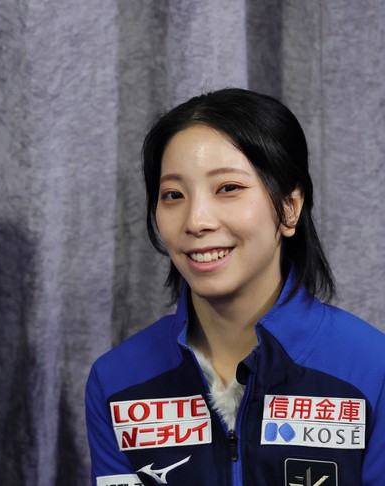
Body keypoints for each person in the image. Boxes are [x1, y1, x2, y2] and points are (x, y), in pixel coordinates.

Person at [86, 88, 385, 485]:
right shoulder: (117, 380)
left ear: (290, 207)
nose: (197, 220)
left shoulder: (372, 368)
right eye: (173, 195)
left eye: (228, 188)